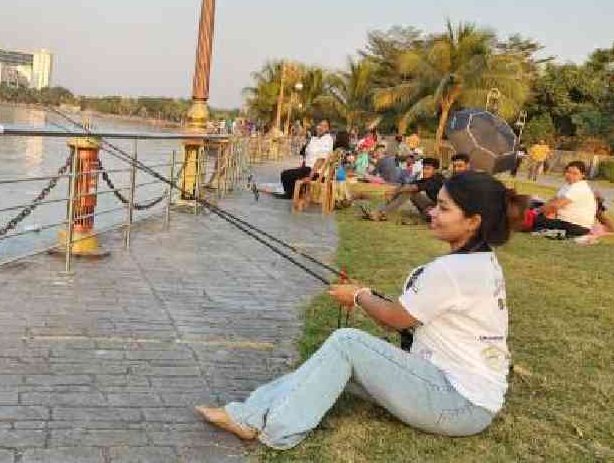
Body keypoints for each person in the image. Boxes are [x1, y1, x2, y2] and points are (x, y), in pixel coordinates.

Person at [196, 171, 514, 449]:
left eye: (444, 208)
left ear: (473, 221)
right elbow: (412, 314)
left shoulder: (454, 270)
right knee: (328, 367)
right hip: (464, 402)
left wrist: (360, 295)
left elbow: (395, 319)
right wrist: (365, 296)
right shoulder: (481, 263)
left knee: (347, 342)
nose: (431, 211)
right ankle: (248, 416)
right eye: (436, 203)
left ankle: (277, 431)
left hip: (458, 404)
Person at [364, 157, 444, 221]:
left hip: (445, 211)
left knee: (409, 191)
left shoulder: (437, 179)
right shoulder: (426, 179)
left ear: (435, 170)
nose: (425, 171)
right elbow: (408, 185)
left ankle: (381, 213)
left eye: (428, 169)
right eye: (424, 168)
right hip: (435, 207)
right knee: (406, 189)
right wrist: (394, 192)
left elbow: (413, 188)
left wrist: (394, 191)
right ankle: (380, 211)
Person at [532, 161, 596, 237]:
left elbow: (555, 206)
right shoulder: (569, 185)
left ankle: (550, 232)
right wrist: (543, 209)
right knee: (534, 204)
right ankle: (545, 230)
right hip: (564, 220)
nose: (570, 176)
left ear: (582, 175)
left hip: (575, 226)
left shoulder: (579, 188)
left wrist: (536, 211)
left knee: (534, 220)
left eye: (575, 174)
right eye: (568, 172)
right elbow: (553, 200)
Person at [278, 120, 333, 199]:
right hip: (307, 169)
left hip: (317, 173)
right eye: (320, 125)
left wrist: (310, 176)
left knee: (285, 175)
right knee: (287, 174)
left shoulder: (327, 139)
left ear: (328, 129)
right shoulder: (314, 139)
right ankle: (294, 194)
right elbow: (307, 156)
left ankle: (291, 195)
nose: (321, 128)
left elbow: (321, 159)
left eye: (324, 126)